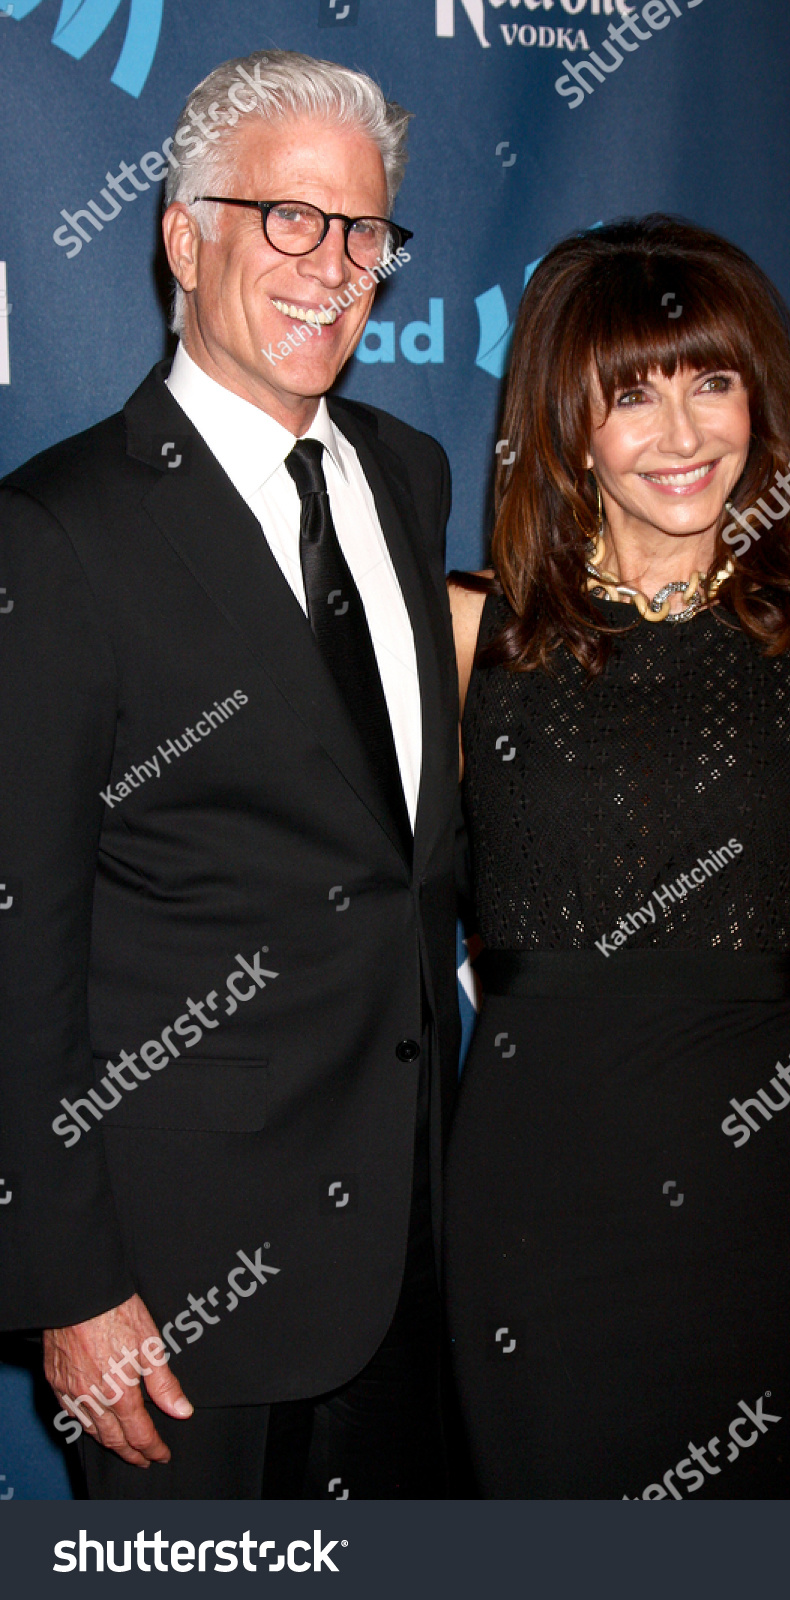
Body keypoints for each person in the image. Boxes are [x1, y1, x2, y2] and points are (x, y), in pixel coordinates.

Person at [0, 51, 461, 1499]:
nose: (336, 267)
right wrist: (69, 1288)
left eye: (366, 231)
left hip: (412, 1258)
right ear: (184, 235)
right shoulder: (56, 533)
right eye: (289, 219)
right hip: (178, 1300)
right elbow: (22, 940)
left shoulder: (408, 472)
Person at [445, 215, 790, 1500]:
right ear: (564, 420)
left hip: (771, 1206)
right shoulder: (466, 634)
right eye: (631, 394)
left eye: (711, 380)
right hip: (534, 1200)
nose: (683, 433)